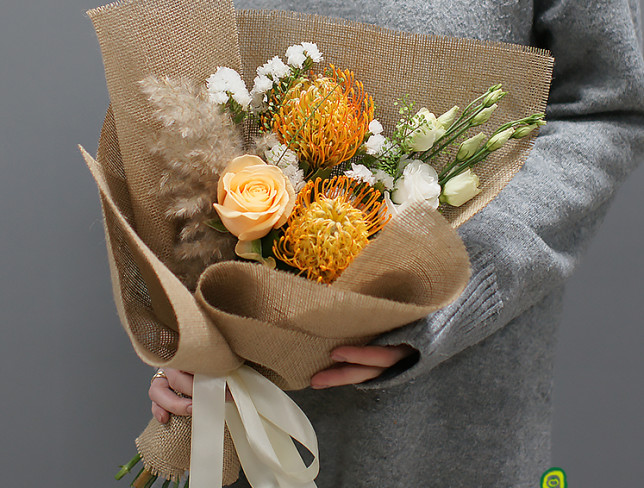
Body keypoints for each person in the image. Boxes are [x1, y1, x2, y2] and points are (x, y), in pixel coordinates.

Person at [149, 0, 644, 486]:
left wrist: (449, 282)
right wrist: (182, 337)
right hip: (237, 408)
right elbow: (178, 125)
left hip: (448, 416)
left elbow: (605, 107)